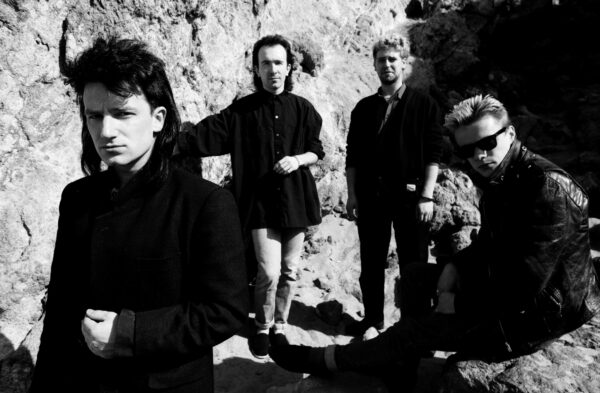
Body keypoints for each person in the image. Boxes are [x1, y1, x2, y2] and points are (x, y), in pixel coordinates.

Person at [269, 94, 600, 392]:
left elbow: (524, 286)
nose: (479, 156)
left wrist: (457, 302)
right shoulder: (503, 177)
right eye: (466, 150)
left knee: (415, 330)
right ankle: (402, 366)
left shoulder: (547, 188)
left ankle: (325, 359)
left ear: (510, 134)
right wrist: (456, 266)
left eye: (487, 143)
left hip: (540, 313)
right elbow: (488, 245)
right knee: (414, 274)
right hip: (515, 288)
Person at [29, 37, 248, 393]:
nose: (106, 131)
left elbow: (225, 310)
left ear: (158, 118)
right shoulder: (77, 198)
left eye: (123, 113)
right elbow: (60, 310)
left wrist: (130, 332)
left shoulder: (204, 203)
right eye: (94, 116)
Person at [176, 34, 324, 358]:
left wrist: (298, 159)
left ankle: (280, 327)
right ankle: (261, 325)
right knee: (267, 271)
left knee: (290, 270)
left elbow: (316, 150)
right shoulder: (241, 113)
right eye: (265, 63)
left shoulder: (304, 109)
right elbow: (207, 135)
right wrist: (168, 144)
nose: (272, 69)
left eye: (278, 63)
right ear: (256, 69)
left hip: (297, 200)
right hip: (259, 205)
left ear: (288, 68)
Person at [344, 34, 444, 336]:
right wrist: (352, 194)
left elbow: (433, 154)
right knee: (371, 263)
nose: (386, 64)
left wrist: (427, 196)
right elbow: (353, 156)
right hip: (370, 197)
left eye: (392, 59)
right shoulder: (363, 108)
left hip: (411, 198)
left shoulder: (424, 104)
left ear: (404, 62)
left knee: (413, 265)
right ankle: (373, 320)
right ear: (374, 65)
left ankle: (415, 327)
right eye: (381, 59)